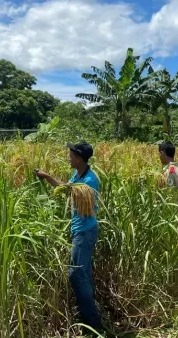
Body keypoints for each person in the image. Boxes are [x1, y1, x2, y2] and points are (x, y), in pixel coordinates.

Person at [35, 142, 103, 334]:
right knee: (84, 274)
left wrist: (67, 189)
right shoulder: (78, 175)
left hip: (85, 232)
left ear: (80, 159)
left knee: (76, 274)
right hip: (79, 231)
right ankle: (90, 320)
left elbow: (75, 195)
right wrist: (47, 177)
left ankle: (92, 323)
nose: (69, 158)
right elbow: (67, 188)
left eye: (71, 156)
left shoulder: (89, 180)